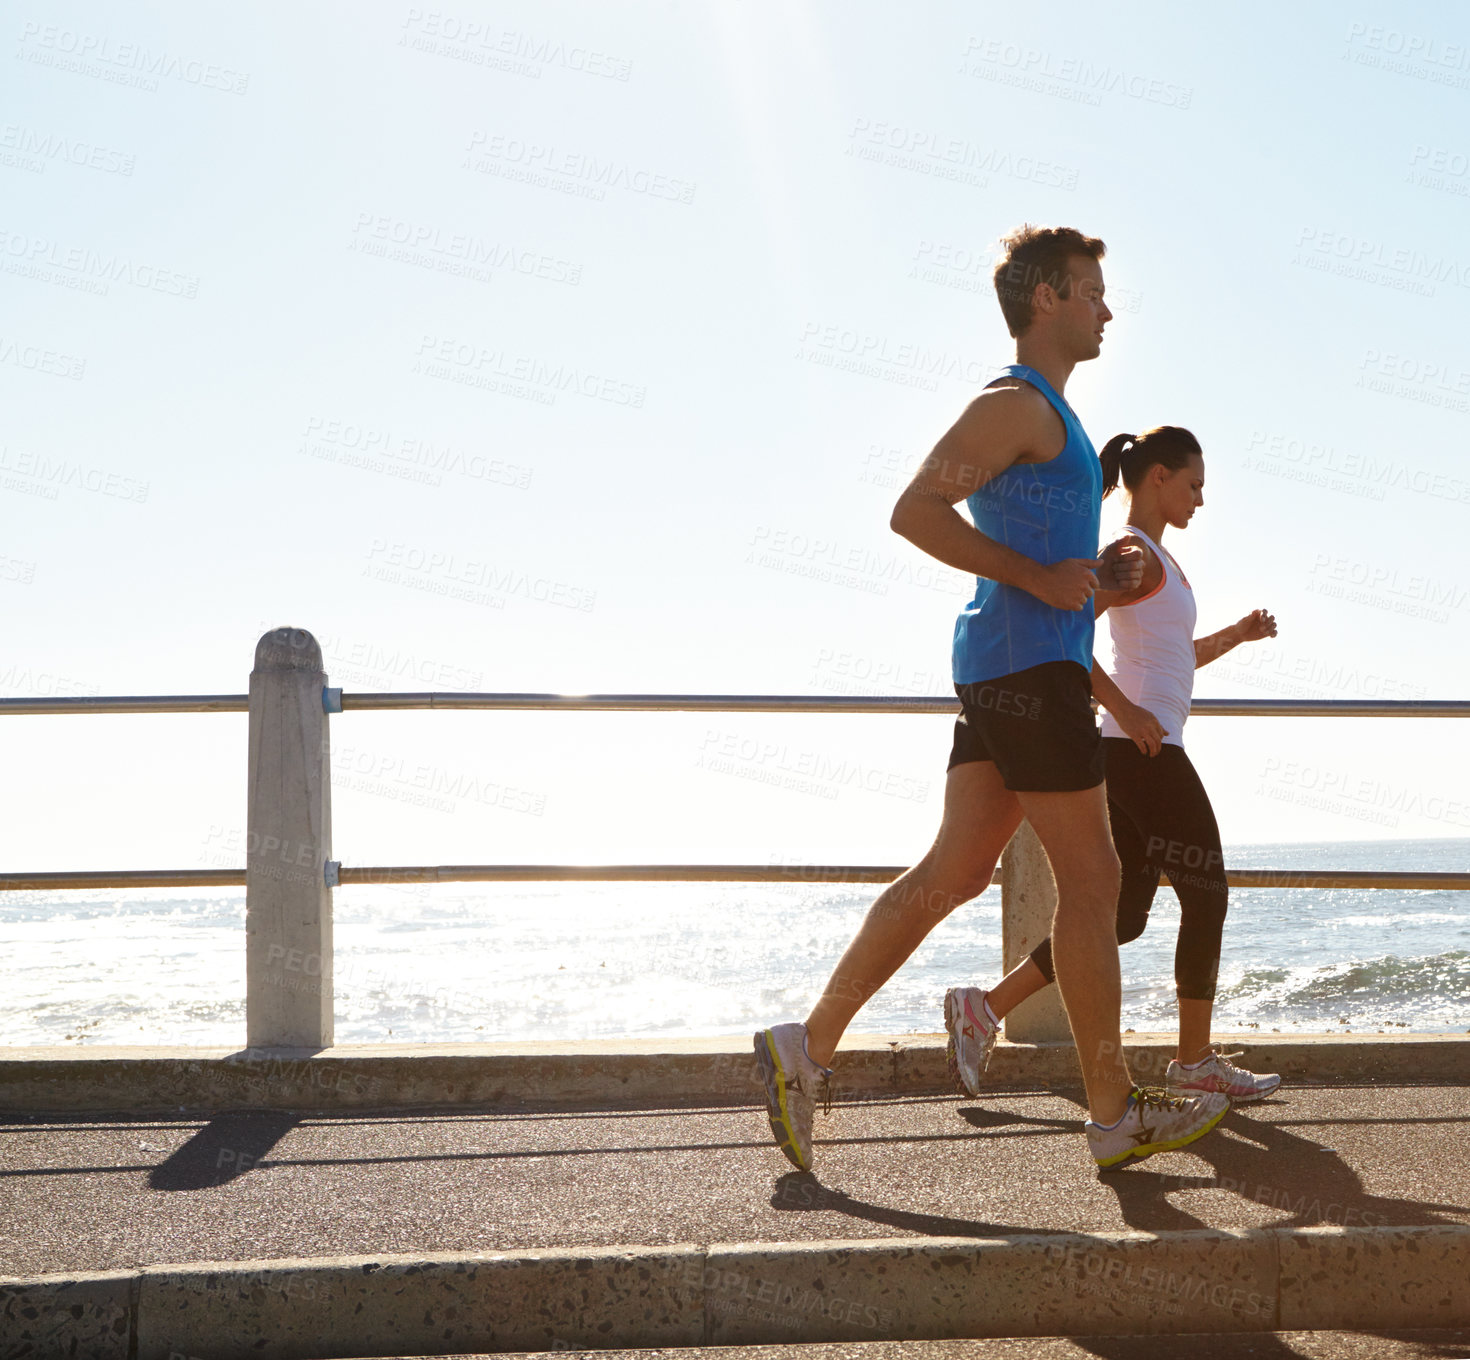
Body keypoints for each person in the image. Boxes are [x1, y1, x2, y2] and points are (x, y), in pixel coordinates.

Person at [754, 225, 1230, 1174]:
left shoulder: (1049, 417)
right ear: (1047, 297)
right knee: (1094, 887)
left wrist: (1096, 577)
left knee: (952, 874)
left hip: (1009, 667)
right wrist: (1045, 579)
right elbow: (916, 511)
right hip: (1028, 675)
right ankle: (1111, 1114)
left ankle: (804, 1047)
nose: (1107, 308)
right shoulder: (1016, 404)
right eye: (1093, 290)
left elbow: (1046, 568)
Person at [945, 425, 1282, 1113]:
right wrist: (1126, 710)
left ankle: (984, 1007)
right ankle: (1194, 1065)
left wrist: (1236, 637)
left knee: (1122, 915)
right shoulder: (1129, 554)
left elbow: (1174, 656)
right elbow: (1062, 632)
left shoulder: (1155, 558)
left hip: (1137, 750)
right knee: (1207, 892)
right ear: (1157, 477)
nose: (1200, 499)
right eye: (1193, 484)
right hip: (1141, 751)